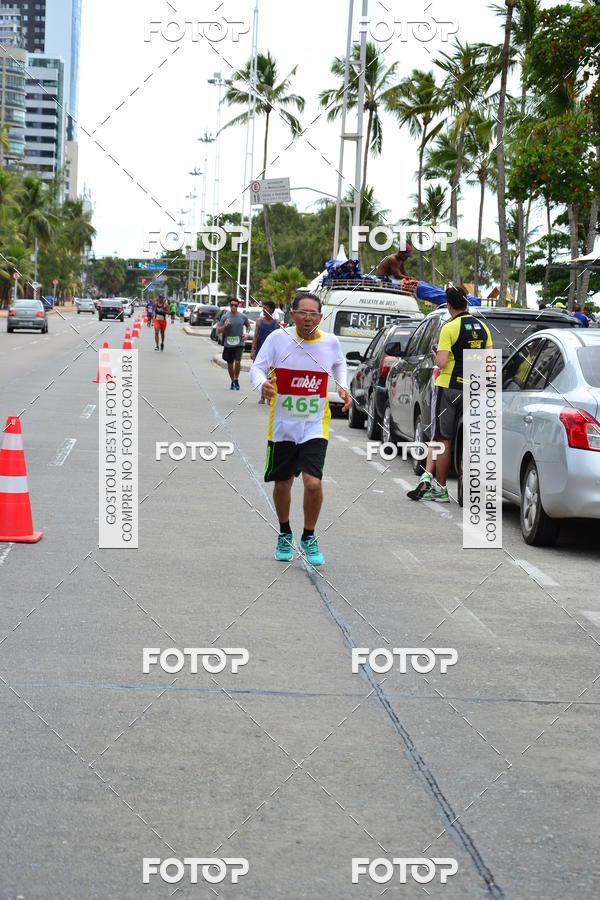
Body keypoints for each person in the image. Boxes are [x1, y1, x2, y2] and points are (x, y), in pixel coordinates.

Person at [250, 292, 351, 566]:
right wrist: (263, 385)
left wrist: (343, 386)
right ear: (292, 315)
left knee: (313, 482)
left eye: (314, 314)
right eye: (303, 313)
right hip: (283, 427)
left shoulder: (330, 343)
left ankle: (308, 535)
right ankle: (284, 532)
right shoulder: (278, 339)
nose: (308, 318)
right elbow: (257, 369)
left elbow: (340, 364)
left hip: (315, 425)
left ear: (320, 317)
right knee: (283, 483)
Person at [409, 285, 492, 502]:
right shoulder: (483, 327)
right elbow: (489, 363)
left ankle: (441, 487)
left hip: (449, 387)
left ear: (449, 305)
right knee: (468, 438)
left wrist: (436, 355)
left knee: (442, 438)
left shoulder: (450, 327)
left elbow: (442, 362)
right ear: (466, 302)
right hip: (475, 389)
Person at [217, 298, 250, 389]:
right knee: (230, 364)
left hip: (239, 343)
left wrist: (247, 334)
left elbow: (248, 326)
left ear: (238, 306)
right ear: (229, 305)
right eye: (232, 305)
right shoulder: (225, 317)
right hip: (228, 344)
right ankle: (232, 381)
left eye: (236, 305)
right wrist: (224, 326)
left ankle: (236, 379)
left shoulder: (242, 317)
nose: (233, 307)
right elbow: (218, 331)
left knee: (238, 361)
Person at [252, 301, 280, 403]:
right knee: (261, 374)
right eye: (262, 308)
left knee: (271, 375)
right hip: (260, 352)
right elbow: (255, 336)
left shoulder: (276, 323)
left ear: (271, 310)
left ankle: (269, 396)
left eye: (266, 308)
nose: (263, 310)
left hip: (273, 353)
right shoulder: (259, 321)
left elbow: (279, 339)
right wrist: (253, 351)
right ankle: (262, 397)